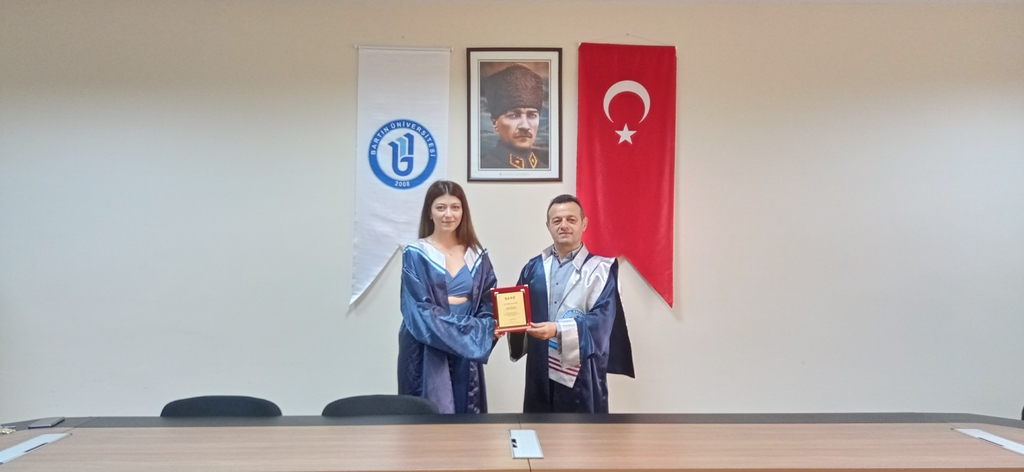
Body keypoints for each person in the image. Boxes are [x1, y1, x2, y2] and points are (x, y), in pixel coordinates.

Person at [508, 195, 634, 413]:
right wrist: (504, 322)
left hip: (581, 372)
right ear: (548, 226)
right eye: (557, 220)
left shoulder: (601, 270)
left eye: (571, 219)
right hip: (540, 367)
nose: (564, 225)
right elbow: (517, 311)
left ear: (584, 223)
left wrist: (557, 329)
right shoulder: (533, 268)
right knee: (538, 427)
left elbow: (602, 320)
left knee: (580, 431)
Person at [398, 180, 500, 414]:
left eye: (455, 207)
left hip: (466, 345)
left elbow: (488, 301)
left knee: (466, 407)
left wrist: (489, 326)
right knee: (430, 411)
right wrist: (476, 332)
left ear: (463, 212)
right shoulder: (415, 254)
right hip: (426, 343)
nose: (448, 214)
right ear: (430, 212)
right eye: (440, 207)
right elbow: (419, 310)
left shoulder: (477, 254)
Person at [480, 63, 549, 170]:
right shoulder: (485, 167)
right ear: (494, 122)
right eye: (513, 115)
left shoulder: (544, 169)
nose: (525, 126)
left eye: (532, 115)